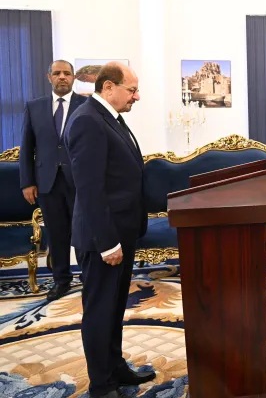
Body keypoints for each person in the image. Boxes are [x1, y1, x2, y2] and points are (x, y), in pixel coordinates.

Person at [64, 62, 155, 398]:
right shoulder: (87, 121)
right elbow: (89, 189)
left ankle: (115, 368)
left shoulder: (109, 117)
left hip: (120, 232)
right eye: (132, 90)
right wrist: (107, 243)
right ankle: (101, 385)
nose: (137, 96)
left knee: (115, 308)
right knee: (100, 310)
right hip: (102, 237)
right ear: (108, 87)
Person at [19, 60, 87, 301]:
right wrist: (27, 182)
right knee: (56, 234)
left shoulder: (86, 105)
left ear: (73, 77)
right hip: (47, 181)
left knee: (84, 230)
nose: (62, 77)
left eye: (67, 73)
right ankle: (61, 280)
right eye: (57, 73)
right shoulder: (34, 107)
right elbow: (27, 147)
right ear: (49, 77)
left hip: (80, 181)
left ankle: (88, 276)